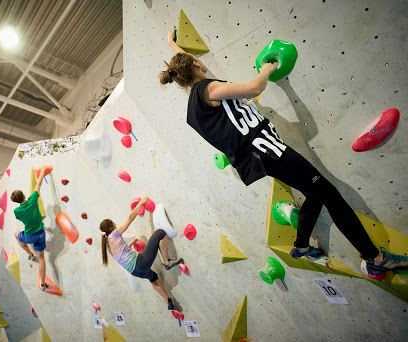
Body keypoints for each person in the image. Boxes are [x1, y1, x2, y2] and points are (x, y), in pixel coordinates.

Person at [160, 26, 408, 276]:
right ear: (195, 65)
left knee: (315, 194)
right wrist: (267, 69)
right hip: (268, 150)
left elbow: (182, 61)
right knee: (331, 194)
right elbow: (253, 89)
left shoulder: (192, 109)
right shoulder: (208, 89)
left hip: (261, 159)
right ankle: (374, 257)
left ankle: (300, 246)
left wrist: (172, 42)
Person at [100, 197, 183, 310]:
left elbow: (121, 254)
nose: (115, 224)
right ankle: (167, 262)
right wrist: (141, 202)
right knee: (160, 233)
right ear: (111, 227)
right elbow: (130, 218)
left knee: (153, 277)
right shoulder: (114, 234)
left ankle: (168, 301)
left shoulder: (107, 246)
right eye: (114, 224)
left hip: (135, 271)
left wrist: (132, 243)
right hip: (140, 263)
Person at [12, 165, 48, 290]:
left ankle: (30, 254)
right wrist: (42, 171)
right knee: (42, 258)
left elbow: (21, 219)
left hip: (29, 236)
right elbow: (38, 185)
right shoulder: (32, 199)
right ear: (23, 194)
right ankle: (42, 283)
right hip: (41, 233)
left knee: (16, 234)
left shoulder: (17, 211)